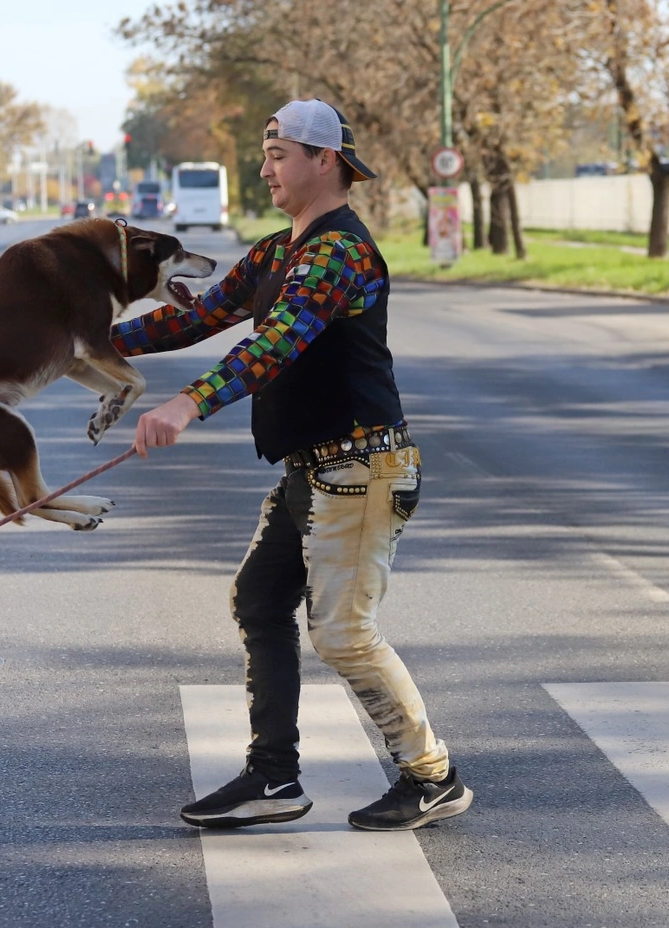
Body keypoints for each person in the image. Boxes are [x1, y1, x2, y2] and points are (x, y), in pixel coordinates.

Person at [112, 99, 472, 832]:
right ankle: (273, 777)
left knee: (343, 633)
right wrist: (86, 342)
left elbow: (277, 341)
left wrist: (187, 404)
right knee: (259, 600)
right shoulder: (278, 251)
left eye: (279, 155)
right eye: (266, 154)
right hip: (313, 470)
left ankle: (432, 776)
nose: (266, 168)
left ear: (324, 160)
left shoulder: (340, 252)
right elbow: (197, 316)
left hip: (364, 469)